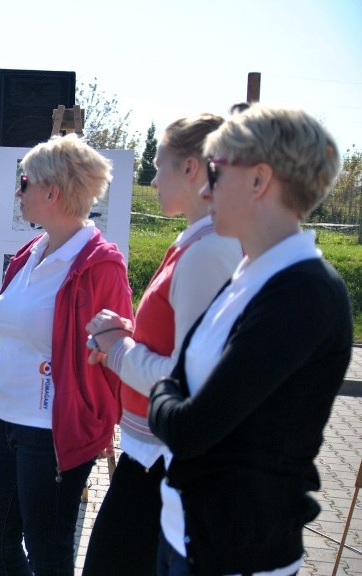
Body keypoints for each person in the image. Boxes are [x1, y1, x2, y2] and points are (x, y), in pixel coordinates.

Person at [148, 105, 350, 575]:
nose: (203, 188)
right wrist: (170, 394)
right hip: (187, 533)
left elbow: (189, 427)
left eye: (215, 173)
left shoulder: (304, 295)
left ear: (260, 181)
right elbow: (178, 383)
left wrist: (165, 395)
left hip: (237, 555)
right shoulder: (248, 274)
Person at [82, 114, 243, 575]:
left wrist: (116, 350)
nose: (153, 180)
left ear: (193, 168)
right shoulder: (201, 241)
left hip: (165, 459)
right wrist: (127, 336)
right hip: (153, 454)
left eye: (160, 164)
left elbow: (187, 377)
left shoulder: (209, 250)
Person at [0, 133, 134, 575]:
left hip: (53, 432)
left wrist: (92, 418)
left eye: (23, 182)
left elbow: (117, 349)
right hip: (7, 418)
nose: (18, 191)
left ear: (51, 191)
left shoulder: (100, 264)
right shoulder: (30, 252)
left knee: (48, 551)